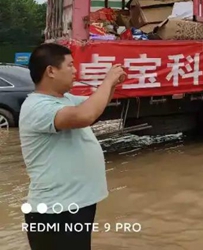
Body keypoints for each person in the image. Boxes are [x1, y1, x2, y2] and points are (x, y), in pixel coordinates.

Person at [19, 43, 126, 250]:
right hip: (55, 212)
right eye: (70, 65)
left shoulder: (64, 99)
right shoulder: (37, 107)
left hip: (74, 205)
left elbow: (94, 106)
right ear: (51, 71)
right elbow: (85, 115)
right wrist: (107, 80)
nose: (75, 71)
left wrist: (112, 85)